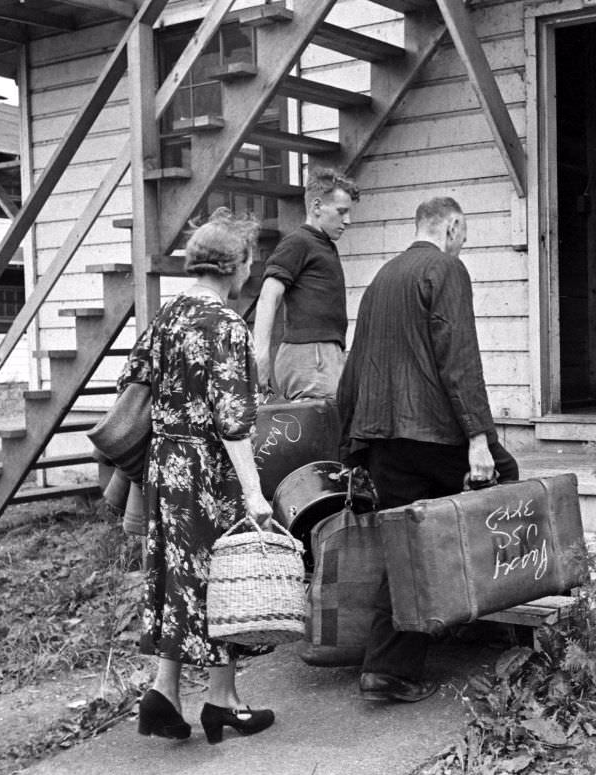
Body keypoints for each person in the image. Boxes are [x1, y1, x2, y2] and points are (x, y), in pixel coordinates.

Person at [338, 196, 518, 703]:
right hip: (436, 433)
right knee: (506, 482)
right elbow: (458, 355)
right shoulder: (446, 269)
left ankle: (387, 670)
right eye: (465, 234)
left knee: (405, 546)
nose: (465, 244)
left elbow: (355, 365)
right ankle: (477, 612)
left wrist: (350, 446)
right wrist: (479, 437)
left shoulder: (381, 278)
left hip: (382, 437)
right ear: (453, 226)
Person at [119, 208, 277, 744]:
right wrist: (255, 494)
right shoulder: (227, 324)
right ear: (236, 266)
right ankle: (221, 700)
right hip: (209, 469)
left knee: (175, 574)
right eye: (249, 264)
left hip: (166, 464)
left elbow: (133, 381)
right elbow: (234, 422)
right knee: (221, 579)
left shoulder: (167, 316)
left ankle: (164, 692)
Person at [253, 167, 359, 400]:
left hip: (325, 354)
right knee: (316, 430)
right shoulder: (299, 242)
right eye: (341, 212)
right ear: (317, 206)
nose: (348, 220)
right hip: (310, 355)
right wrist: (260, 355)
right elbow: (268, 296)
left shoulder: (323, 244)